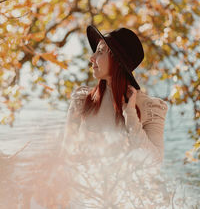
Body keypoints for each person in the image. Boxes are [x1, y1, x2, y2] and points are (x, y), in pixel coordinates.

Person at [1, 25, 172, 209]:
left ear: (116, 60)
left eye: (100, 52)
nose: (92, 58)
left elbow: (154, 161)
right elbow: (66, 155)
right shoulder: (82, 100)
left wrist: (130, 114)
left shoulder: (150, 107)